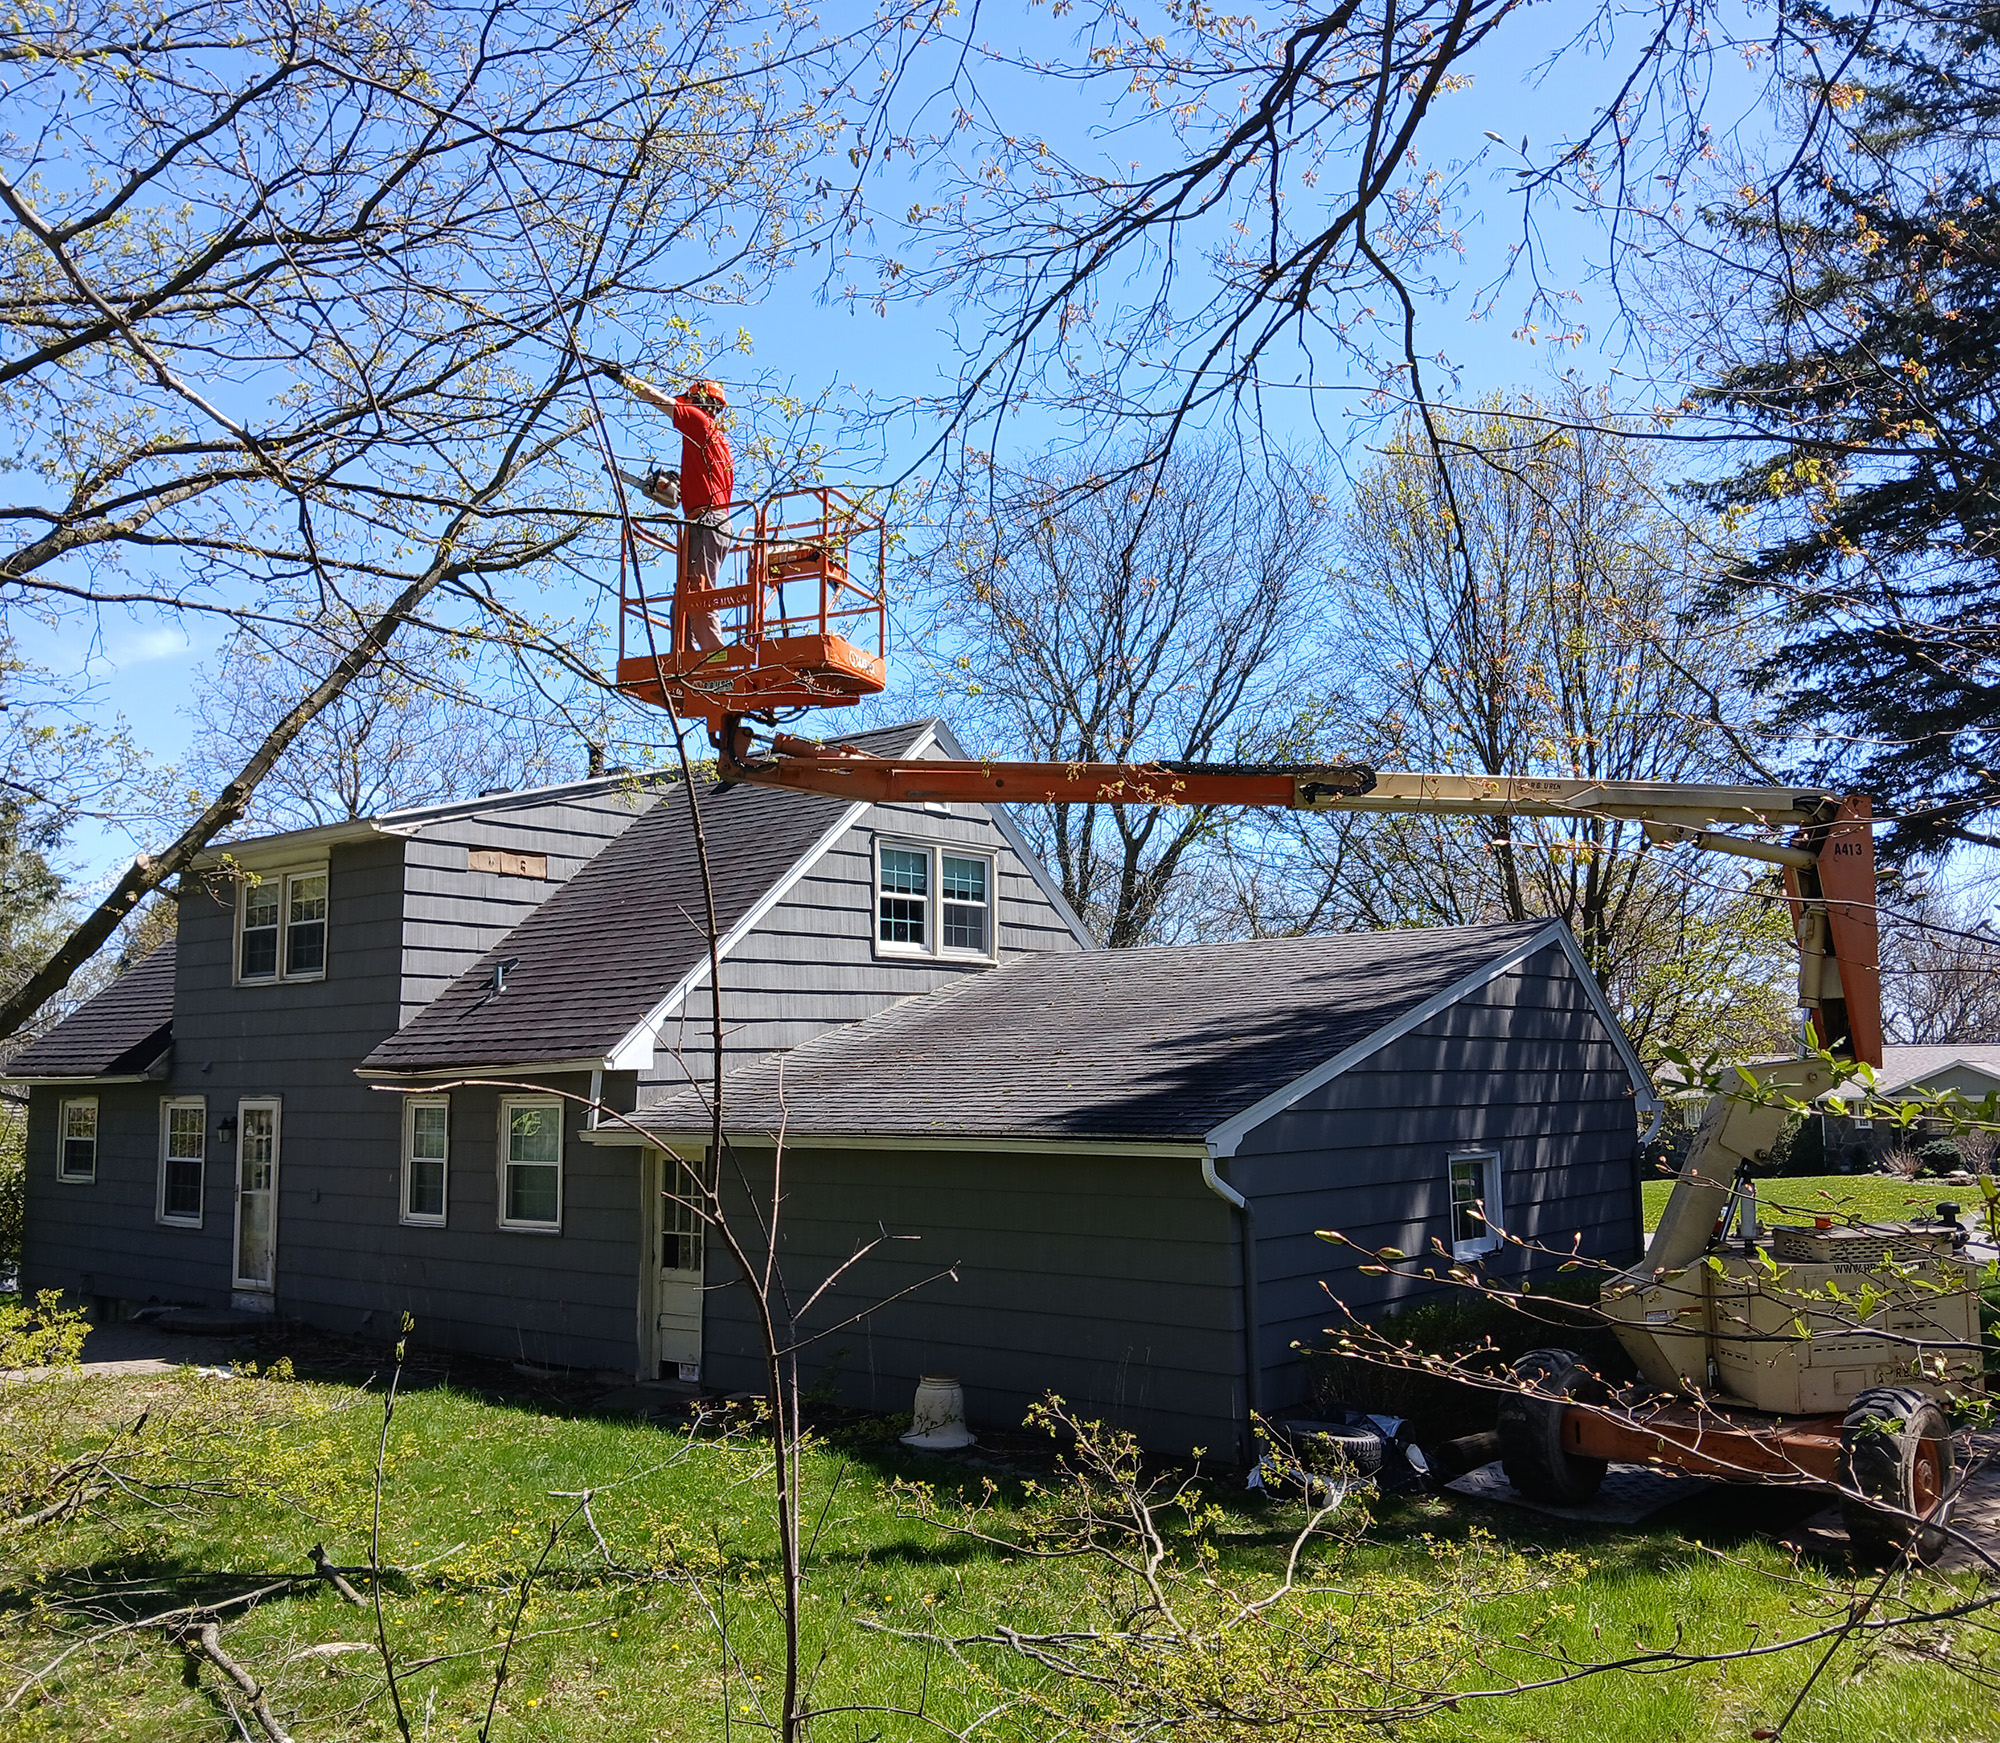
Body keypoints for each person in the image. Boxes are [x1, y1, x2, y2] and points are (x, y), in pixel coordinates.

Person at [601, 365, 734, 655]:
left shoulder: (699, 422)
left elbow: (658, 400)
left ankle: (720, 663)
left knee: (697, 598)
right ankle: (683, 660)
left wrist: (625, 379)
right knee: (682, 603)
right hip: (710, 520)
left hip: (706, 522)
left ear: (699, 402)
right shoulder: (718, 443)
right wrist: (671, 488)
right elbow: (702, 489)